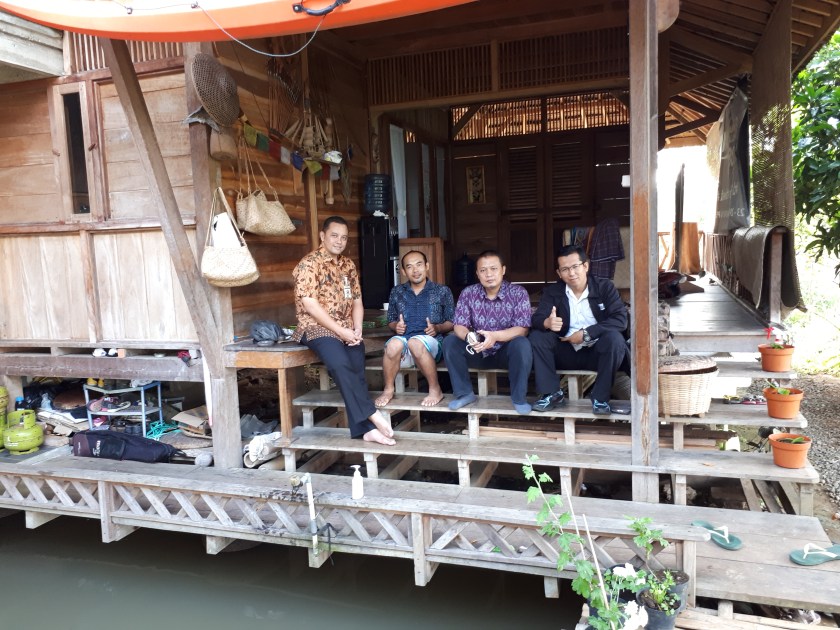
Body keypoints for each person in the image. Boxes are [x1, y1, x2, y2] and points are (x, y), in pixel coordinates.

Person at [291, 216, 395, 445]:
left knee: (357, 367)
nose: (339, 241)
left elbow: (357, 301)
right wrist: (340, 330)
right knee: (340, 364)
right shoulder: (309, 264)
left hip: (346, 329)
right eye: (334, 236)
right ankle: (371, 414)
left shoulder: (348, 265)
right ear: (322, 236)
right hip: (316, 328)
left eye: (344, 237)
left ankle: (363, 431)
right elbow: (310, 305)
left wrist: (357, 328)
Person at [529, 244, 630, 415]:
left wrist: (587, 333)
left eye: (575, 266)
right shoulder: (553, 292)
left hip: (598, 351)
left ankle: (600, 398)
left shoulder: (604, 287)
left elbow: (620, 320)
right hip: (565, 351)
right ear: (559, 273)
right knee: (538, 337)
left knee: (615, 339)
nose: (571, 273)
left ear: (586, 266)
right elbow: (537, 319)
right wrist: (547, 322)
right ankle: (551, 393)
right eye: (565, 269)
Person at [441, 250, 533, 414]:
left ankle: (519, 398)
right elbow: (459, 325)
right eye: (483, 270)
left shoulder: (518, 293)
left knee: (522, 343)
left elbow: (523, 329)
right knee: (450, 342)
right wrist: (469, 336)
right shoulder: (468, 293)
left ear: (503, 270)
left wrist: (495, 336)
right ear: (477, 274)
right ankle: (464, 394)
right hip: (478, 350)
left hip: (506, 353)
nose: (488, 274)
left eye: (493, 269)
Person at [375, 250, 455, 408]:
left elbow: (452, 321)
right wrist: (396, 326)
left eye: (419, 265)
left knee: (415, 343)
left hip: (431, 343)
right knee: (393, 345)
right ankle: (388, 389)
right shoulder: (397, 292)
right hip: (405, 341)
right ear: (404, 271)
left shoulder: (442, 291)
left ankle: (435, 389)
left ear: (427, 266)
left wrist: (438, 327)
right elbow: (391, 319)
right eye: (409, 267)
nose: (415, 270)